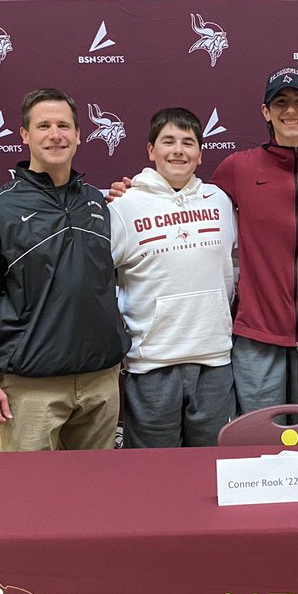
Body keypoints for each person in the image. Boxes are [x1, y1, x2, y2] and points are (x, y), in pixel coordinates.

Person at [116, 67, 298, 412]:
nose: (290, 111)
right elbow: (184, 198)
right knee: (258, 447)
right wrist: (136, 192)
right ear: (265, 112)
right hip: (256, 335)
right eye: (280, 103)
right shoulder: (237, 169)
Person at [0, 87, 129, 451]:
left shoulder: (99, 203)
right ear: (25, 135)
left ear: (79, 135)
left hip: (100, 382)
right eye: (44, 125)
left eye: (64, 125)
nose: (55, 135)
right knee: (28, 499)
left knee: (97, 495)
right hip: (31, 388)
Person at [106, 107, 236, 447]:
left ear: (200, 152)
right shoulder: (124, 205)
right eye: (168, 141)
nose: (178, 150)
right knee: (155, 473)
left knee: (212, 468)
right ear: (151, 151)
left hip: (215, 360)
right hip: (152, 363)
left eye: (188, 142)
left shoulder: (220, 201)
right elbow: (103, 279)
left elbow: (228, 269)